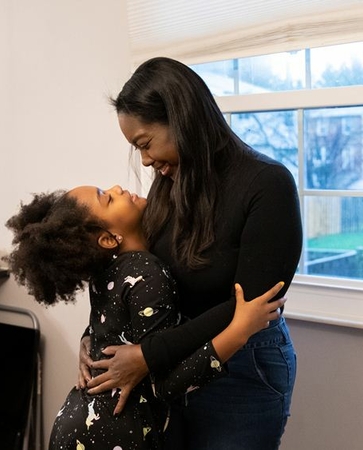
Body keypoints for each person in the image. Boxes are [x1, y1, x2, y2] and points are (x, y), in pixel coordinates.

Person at [83, 57, 303, 449]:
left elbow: (250, 305)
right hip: (175, 363)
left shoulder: (268, 185)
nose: (147, 161)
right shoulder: (172, 181)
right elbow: (136, 271)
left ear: (181, 117)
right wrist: (95, 339)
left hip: (243, 367)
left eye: (145, 144)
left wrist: (148, 355)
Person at [5, 186, 285, 450]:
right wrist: (238, 331)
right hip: (114, 434)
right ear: (107, 238)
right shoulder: (147, 274)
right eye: (107, 198)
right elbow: (165, 385)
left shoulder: (105, 275)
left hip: (74, 424)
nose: (117, 188)